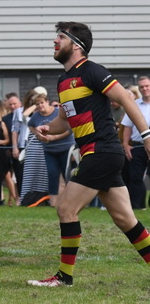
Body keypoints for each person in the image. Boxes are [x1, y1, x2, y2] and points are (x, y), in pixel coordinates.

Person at [28, 22, 150, 287]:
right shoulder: (63, 80)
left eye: (60, 37)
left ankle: (64, 277)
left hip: (101, 151)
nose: (54, 42)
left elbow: (127, 99)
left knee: (65, 208)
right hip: (98, 153)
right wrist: (48, 128)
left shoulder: (93, 71)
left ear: (76, 45)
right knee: (125, 219)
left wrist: (147, 135)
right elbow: (64, 120)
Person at [27, 93, 74, 207]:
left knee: (67, 175)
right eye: (37, 104)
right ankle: (53, 202)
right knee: (52, 174)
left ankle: (71, 201)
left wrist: (55, 137)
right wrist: (38, 134)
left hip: (65, 148)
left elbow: (70, 128)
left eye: (42, 103)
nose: (40, 106)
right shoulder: (36, 116)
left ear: (47, 102)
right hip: (49, 150)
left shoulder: (58, 112)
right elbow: (30, 125)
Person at [120, 75, 150, 210]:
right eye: (142, 87)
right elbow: (127, 126)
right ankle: (138, 206)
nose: (145, 89)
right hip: (138, 146)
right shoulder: (134, 105)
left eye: (147, 86)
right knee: (135, 177)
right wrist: (126, 144)